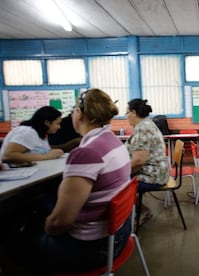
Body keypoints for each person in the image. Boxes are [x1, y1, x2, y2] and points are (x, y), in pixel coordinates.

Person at [23, 88, 132, 274]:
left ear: (80, 114)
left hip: (90, 249)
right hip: (119, 236)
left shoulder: (86, 153)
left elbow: (60, 223)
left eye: (74, 110)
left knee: (17, 238)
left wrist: (46, 227)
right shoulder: (113, 141)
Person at [125, 98, 169, 226]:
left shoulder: (142, 129)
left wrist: (120, 173)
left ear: (133, 113)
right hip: (157, 172)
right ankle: (141, 211)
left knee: (116, 185)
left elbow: (139, 161)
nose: (126, 116)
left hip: (154, 176)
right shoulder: (146, 124)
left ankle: (141, 212)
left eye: (126, 113)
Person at [0, 106, 64, 166]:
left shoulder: (41, 133)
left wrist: (54, 153)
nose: (59, 127)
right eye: (57, 124)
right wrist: (46, 156)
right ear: (47, 123)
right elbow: (7, 156)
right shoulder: (27, 132)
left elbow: (39, 152)